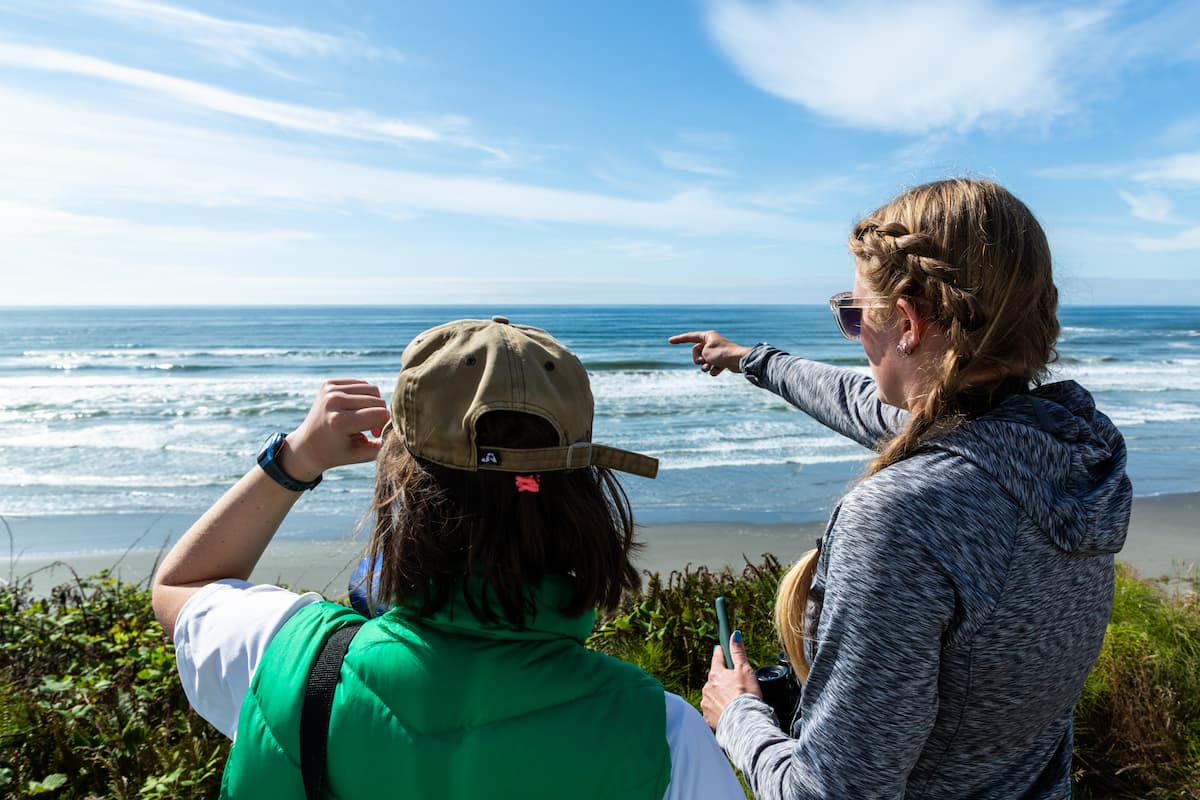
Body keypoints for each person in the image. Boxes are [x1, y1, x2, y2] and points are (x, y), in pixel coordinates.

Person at [152, 316, 745, 800]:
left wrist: (295, 459)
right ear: (582, 500)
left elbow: (183, 586)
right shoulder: (663, 737)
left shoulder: (287, 660)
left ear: (400, 491)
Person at [669, 178, 1131, 799]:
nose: (854, 333)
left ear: (908, 322)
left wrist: (738, 717)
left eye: (853, 313)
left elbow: (830, 793)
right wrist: (751, 359)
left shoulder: (902, 519)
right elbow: (864, 402)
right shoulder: (1077, 456)